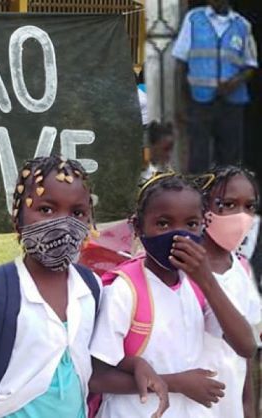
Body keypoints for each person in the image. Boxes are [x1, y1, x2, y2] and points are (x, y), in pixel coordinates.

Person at [0, 156, 166, 418]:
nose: (63, 224)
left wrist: (136, 364)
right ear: (18, 219)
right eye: (47, 210)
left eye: (77, 213)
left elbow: (95, 362)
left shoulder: (91, 287)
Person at [90, 172, 257, 417]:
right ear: (138, 226)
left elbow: (246, 346)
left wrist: (207, 280)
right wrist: (176, 382)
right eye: (164, 224)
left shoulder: (197, 285)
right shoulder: (125, 290)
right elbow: (97, 376)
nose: (178, 235)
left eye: (190, 224)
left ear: (203, 225)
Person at [198, 165, 261, 418]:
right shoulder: (180, 269)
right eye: (228, 204)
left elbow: (247, 356)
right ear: (204, 207)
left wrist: (250, 410)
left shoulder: (241, 270)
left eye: (250, 206)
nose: (242, 216)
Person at [172, 0, 259, 173]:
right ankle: (197, 197)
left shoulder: (242, 25)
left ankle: (225, 197)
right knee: (198, 156)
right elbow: (180, 63)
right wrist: (180, 101)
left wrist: (236, 81)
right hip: (199, 100)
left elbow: (251, 65)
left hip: (232, 103)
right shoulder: (194, 18)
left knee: (230, 158)